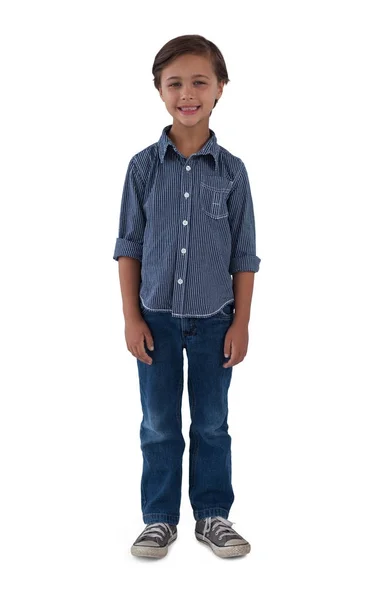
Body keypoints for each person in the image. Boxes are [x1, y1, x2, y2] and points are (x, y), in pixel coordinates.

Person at [113, 34, 261, 559]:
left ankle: (213, 516)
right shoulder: (143, 167)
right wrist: (132, 317)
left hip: (216, 320)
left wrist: (241, 323)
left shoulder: (233, 172)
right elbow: (128, 245)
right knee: (157, 423)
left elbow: (244, 253)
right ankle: (158, 520)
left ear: (220, 89)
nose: (188, 93)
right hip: (155, 317)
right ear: (159, 91)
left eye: (200, 81)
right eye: (175, 83)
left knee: (212, 422)